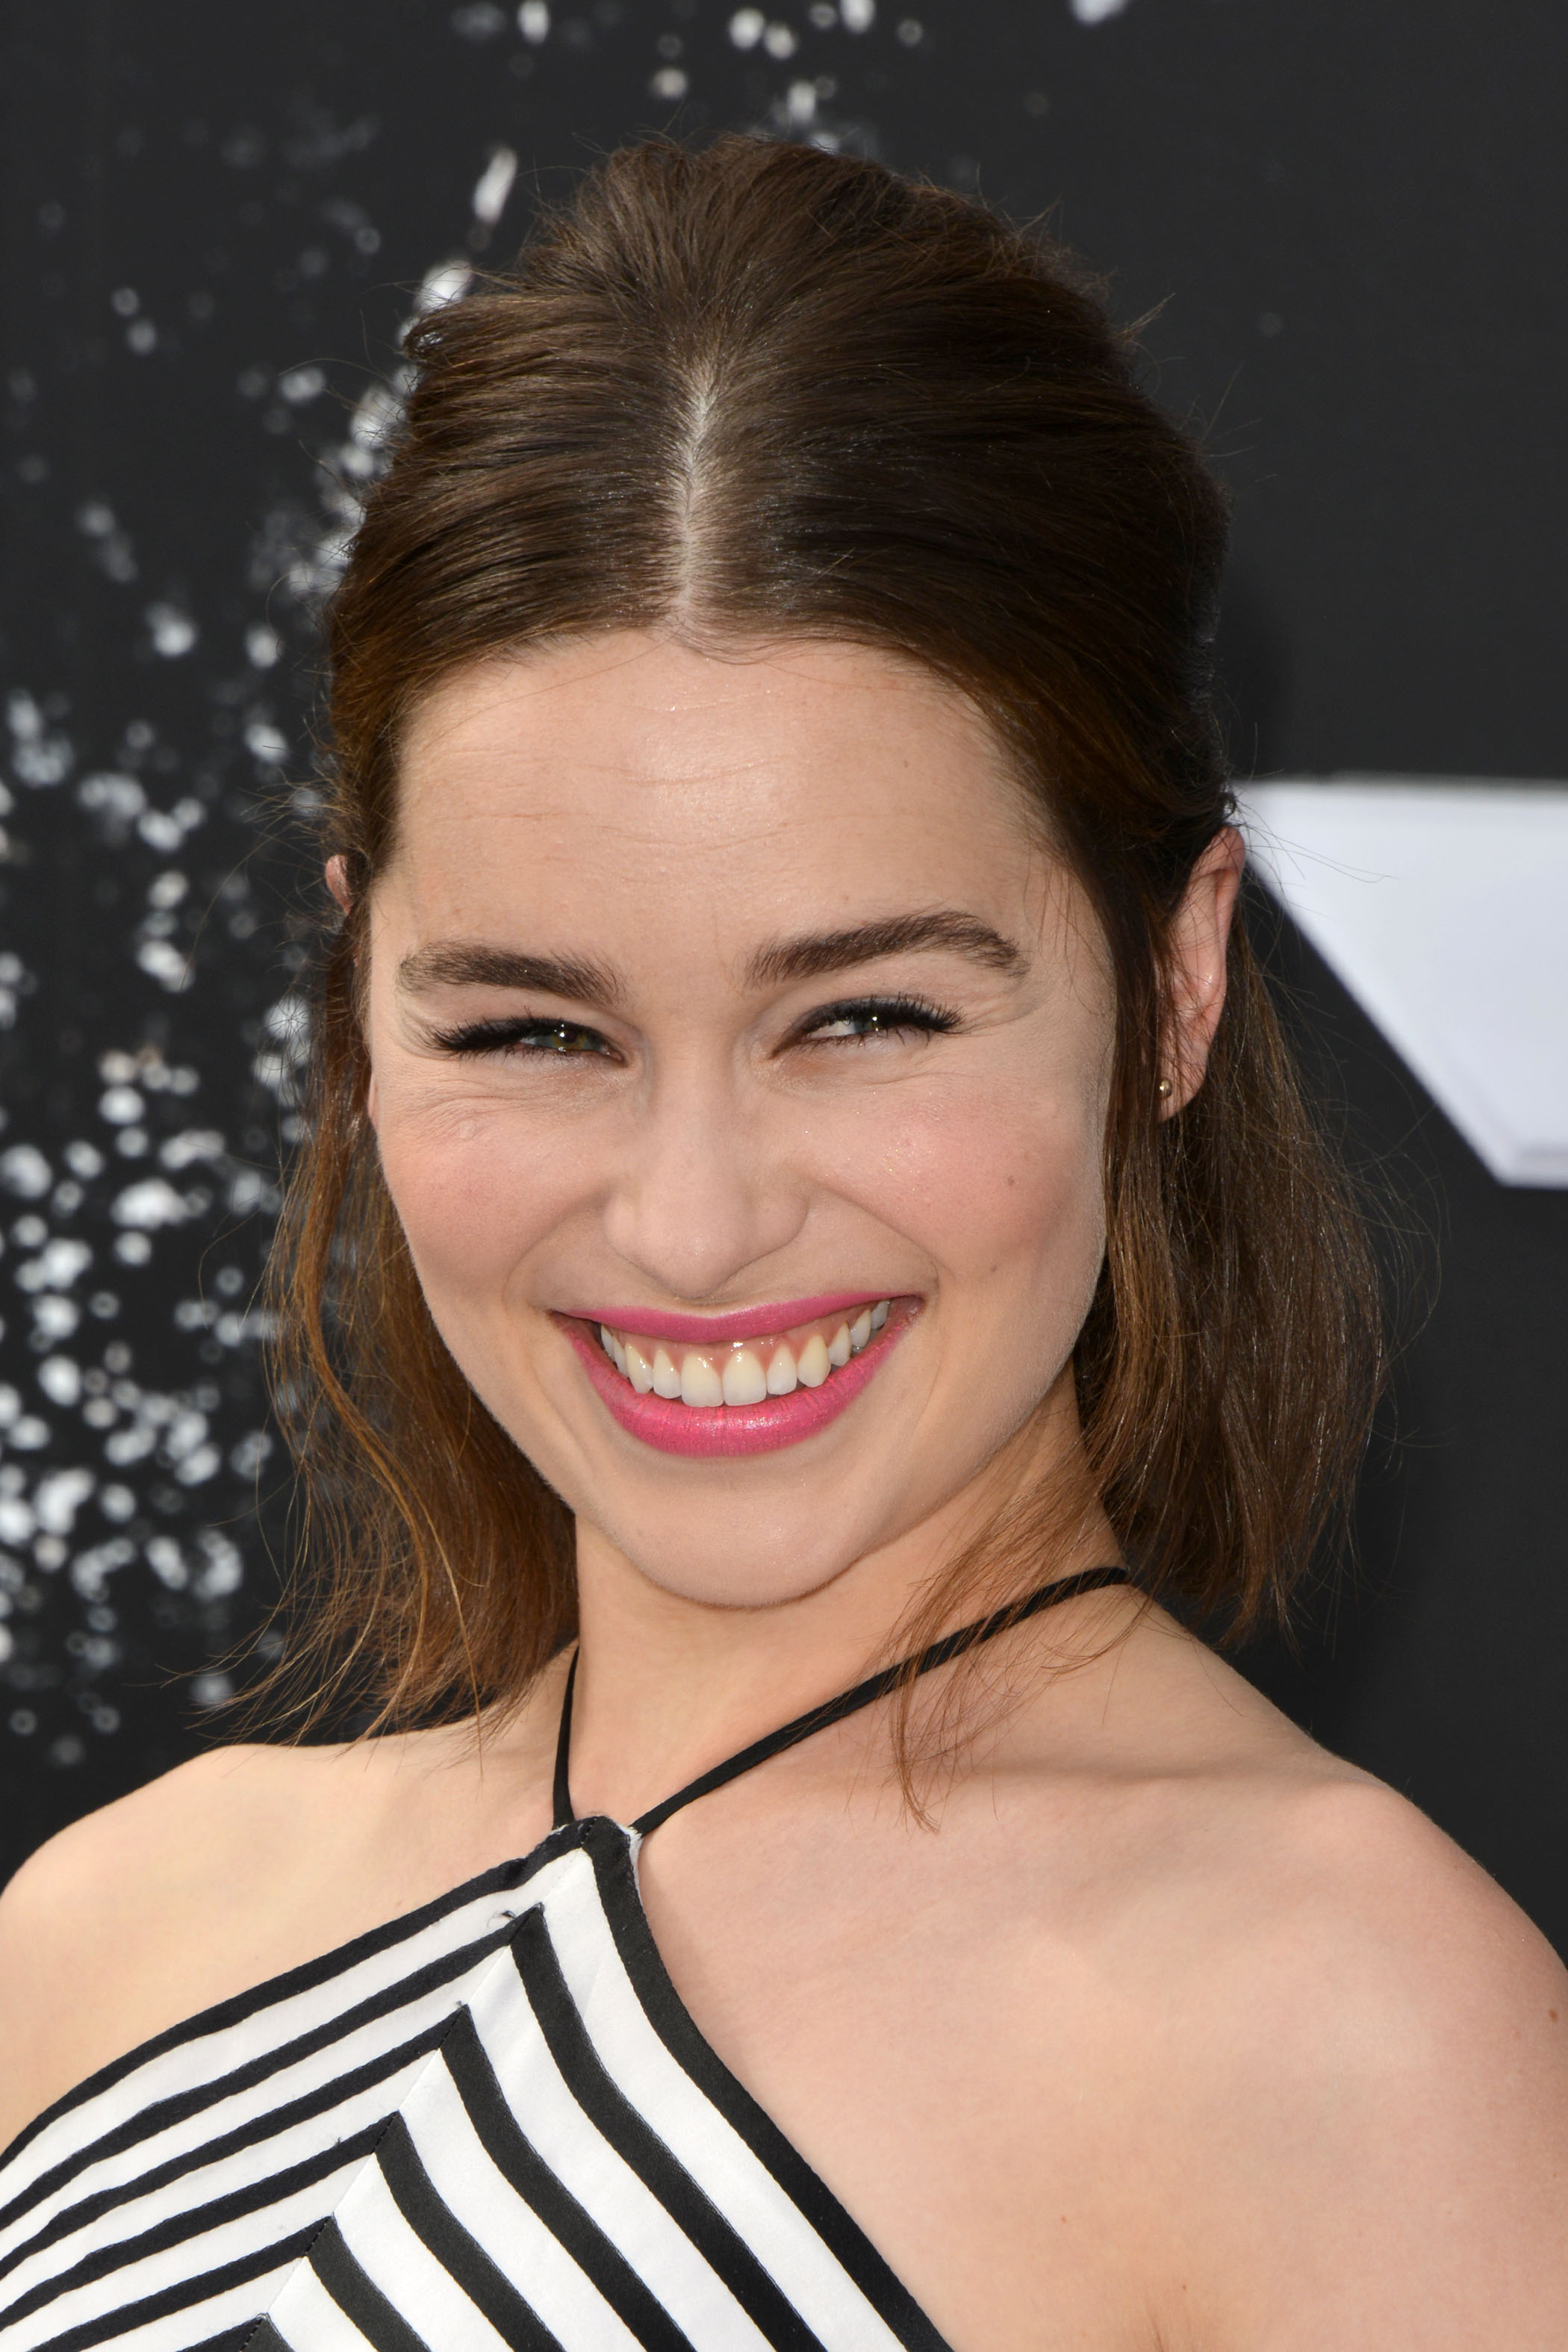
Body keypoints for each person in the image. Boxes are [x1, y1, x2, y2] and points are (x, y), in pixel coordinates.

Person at [1, 134, 1564, 2352]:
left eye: (864, 1018)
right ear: (357, 1003)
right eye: (535, 1029)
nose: (694, 1222)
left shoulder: (1353, 2039)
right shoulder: (109, 1940)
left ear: (1176, 980)